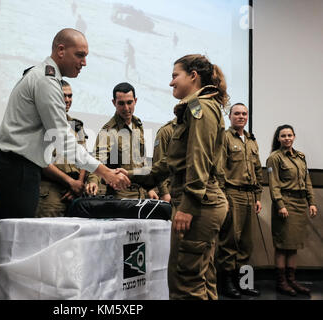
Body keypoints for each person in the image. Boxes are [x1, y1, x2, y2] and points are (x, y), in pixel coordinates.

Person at [0, 28, 130, 300]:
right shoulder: (46, 82)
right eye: (79, 55)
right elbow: (65, 141)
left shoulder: (46, 77)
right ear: (60, 50)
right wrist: (104, 171)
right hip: (17, 168)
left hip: (17, 166)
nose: (84, 62)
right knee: (14, 242)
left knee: (2, 236)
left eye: (86, 56)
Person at [126, 54, 229, 299]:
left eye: (175, 76)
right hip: (201, 203)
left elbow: (199, 159)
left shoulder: (199, 107)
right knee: (201, 281)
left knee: (186, 285)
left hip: (199, 204)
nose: (171, 82)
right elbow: (169, 164)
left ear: (193, 76)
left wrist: (189, 206)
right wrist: (130, 175)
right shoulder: (194, 107)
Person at [216, 103, 262, 299]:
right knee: (230, 241)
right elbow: (219, 170)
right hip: (232, 194)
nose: (241, 117)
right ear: (230, 116)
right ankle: (226, 284)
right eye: (237, 114)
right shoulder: (225, 138)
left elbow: (258, 170)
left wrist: (258, 197)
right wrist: (223, 197)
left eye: (244, 114)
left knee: (247, 243)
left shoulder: (251, 140)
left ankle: (243, 282)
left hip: (250, 196)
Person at [266, 124, 317, 296]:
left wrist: (312, 202)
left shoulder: (301, 157)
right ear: (278, 138)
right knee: (282, 245)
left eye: (289, 135)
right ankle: (281, 282)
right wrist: (280, 205)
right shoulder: (274, 158)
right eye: (283, 135)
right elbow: (273, 185)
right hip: (285, 204)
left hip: (300, 203)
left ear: (294, 136)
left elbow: (307, 181)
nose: (287, 138)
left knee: (293, 245)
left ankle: (292, 280)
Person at [86, 82, 157, 199]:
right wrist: (93, 181)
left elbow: (141, 161)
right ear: (114, 103)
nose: (126, 108)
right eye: (121, 103)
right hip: (121, 194)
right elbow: (98, 159)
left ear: (135, 101)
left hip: (141, 193)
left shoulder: (137, 125)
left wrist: (150, 188)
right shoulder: (109, 130)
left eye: (129, 102)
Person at [36, 80, 88, 217]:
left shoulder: (77, 125)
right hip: (51, 194)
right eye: (63, 96)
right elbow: (42, 161)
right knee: (48, 236)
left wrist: (79, 184)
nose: (67, 100)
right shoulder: (42, 123)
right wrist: (71, 182)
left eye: (70, 96)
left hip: (75, 194)